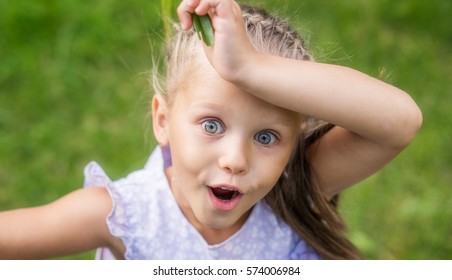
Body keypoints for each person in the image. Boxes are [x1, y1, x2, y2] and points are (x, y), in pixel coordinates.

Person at [0, 0, 422, 260]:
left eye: (267, 136)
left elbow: (399, 123)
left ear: (295, 141)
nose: (236, 160)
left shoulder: (291, 190)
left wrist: (251, 69)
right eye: (212, 125)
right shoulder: (125, 217)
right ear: (162, 120)